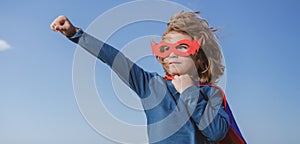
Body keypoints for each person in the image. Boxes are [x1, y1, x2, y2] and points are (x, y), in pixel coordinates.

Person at [50, 11, 246, 144]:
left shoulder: (210, 93)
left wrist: (189, 91)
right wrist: (75, 34)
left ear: (199, 56)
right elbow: (114, 59)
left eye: (182, 47)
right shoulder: (151, 85)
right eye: (165, 48)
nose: (172, 53)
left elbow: (216, 131)